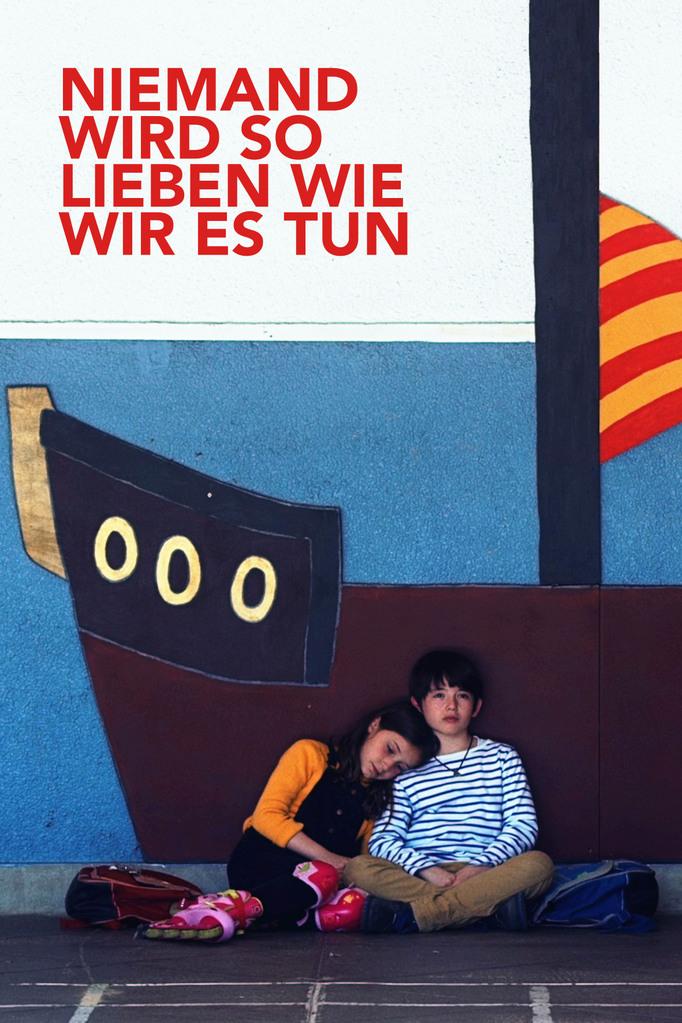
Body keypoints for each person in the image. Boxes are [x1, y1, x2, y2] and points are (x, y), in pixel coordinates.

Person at [140, 700, 438, 941]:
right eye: (389, 749)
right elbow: (266, 816)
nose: (386, 766)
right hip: (264, 862)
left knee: (356, 904)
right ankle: (229, 908)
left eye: (399, 767)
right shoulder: (310, 754)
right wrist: (328, 859)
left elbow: (363, 859)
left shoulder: (374, 801)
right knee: (323, 875)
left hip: (314, 887)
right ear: (375, 725)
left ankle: (247, 914)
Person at [343, 649, 554, 933]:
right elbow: (383, 840)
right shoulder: (406, 766)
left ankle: (416, 915)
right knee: (358, 868)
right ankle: (482, 911)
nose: (451, 706)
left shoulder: (502, 757)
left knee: (539, 866)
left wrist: (480, 866)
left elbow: (523, 825)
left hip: (488, 872)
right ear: (418, 705)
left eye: (462, 696)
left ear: (476, 707)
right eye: (439, 695)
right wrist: (428, 870)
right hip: (421, 875)